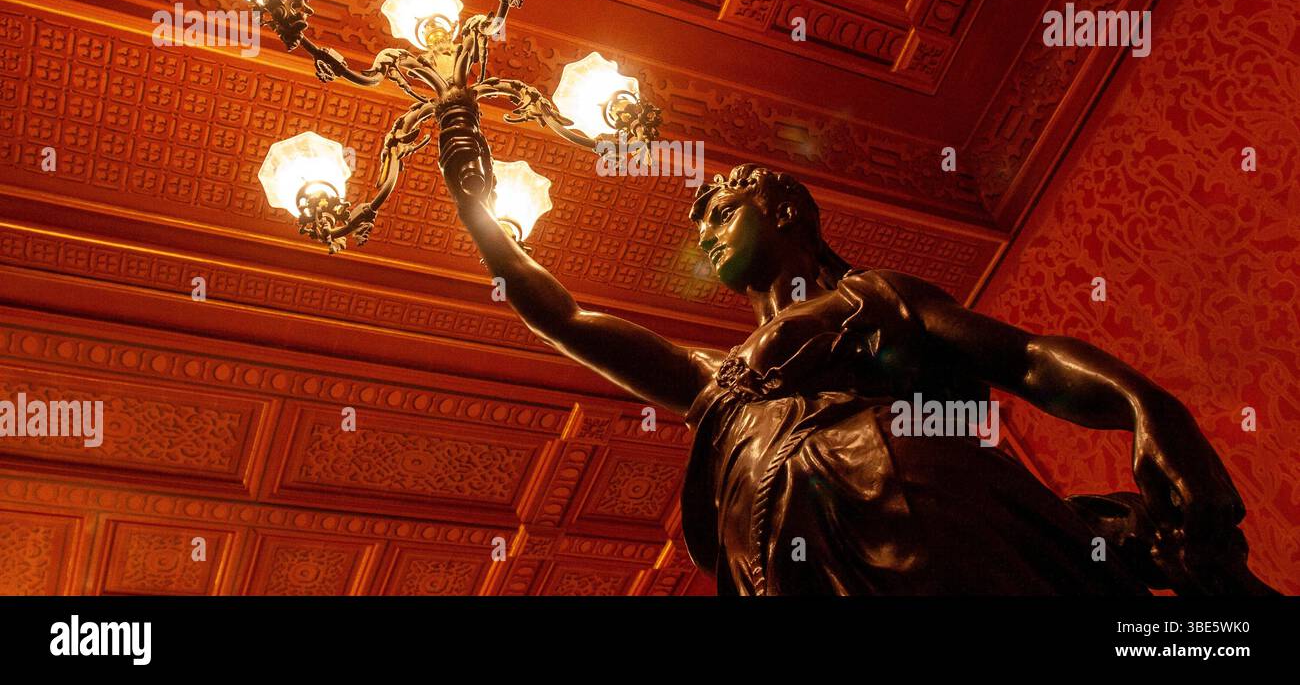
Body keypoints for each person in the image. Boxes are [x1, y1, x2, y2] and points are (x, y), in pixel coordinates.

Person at [441, 147, 1274, 595]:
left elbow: (1020, 357)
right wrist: (480, 212)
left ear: (786, 210)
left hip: (925, 517)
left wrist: (1148, 407)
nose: (705, 235)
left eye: (722, 213)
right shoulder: (714, 380)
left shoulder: (872, 297)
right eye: (700, 228)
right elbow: (564, 318)